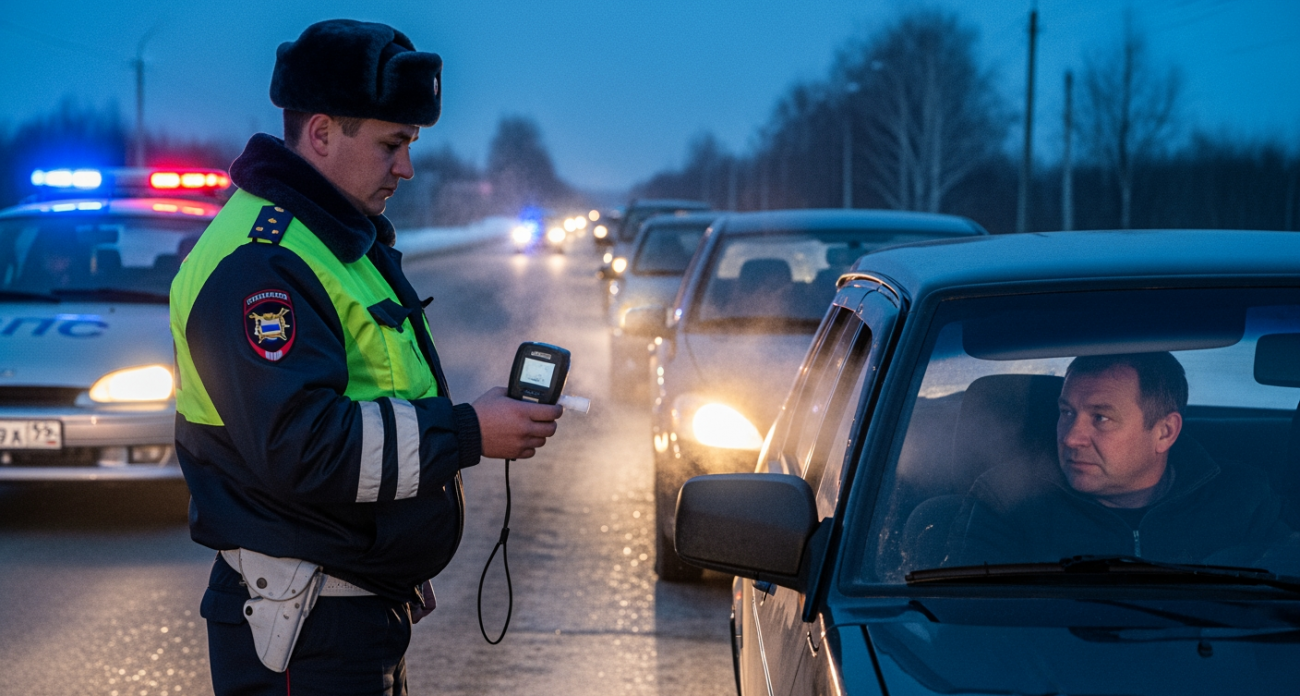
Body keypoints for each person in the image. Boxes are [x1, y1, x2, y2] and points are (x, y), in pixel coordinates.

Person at [169, 20, 563, 695]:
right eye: (391, 145)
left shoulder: (332, 240)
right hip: (301, 628)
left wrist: (389, 559)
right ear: (321, 134)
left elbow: (369, 404)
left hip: (342, 606)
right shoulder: (264, 261)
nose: (405, 168)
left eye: (409, 145)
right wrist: (469, 432)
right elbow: (305, 446)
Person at [948, 352, 1289, 566]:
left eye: (1101, 418)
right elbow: (971, 637)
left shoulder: (1242, 502)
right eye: (1066, 412)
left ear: (1165, 432)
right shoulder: (1007, 501)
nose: (1070, 437)